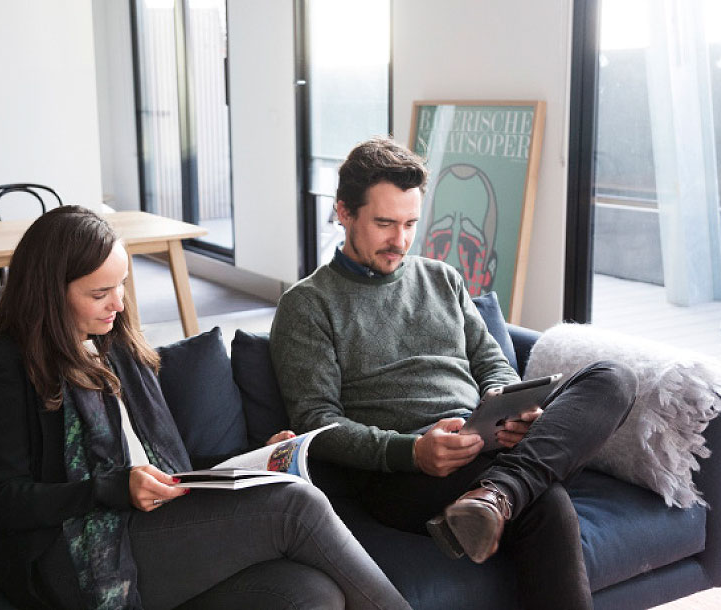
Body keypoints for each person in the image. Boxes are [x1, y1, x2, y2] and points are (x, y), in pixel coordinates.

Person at [0, 205, 411, 610]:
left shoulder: (117, 346)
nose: (119, 304)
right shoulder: (2, 362)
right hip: (77, 551)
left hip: (162, 527)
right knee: (295, 506)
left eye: (122, 284)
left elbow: (170, 467)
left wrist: (258, 461)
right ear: (49, 292)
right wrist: (114, 488)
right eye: (100, 292)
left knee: (312, 594)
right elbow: (5, 501)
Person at [269, 137, 638, 610]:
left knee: (614, 379)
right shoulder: (308, 304)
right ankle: (505, 491)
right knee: (547, 504)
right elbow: (316, 422)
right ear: (344, 212)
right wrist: (413, 452)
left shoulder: (443, 279)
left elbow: (491, 362)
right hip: (403, 471)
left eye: (409, 224)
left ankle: (496, 494)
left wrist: (510, 405)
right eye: (384, 223)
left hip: (482, 438)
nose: (400, 241)